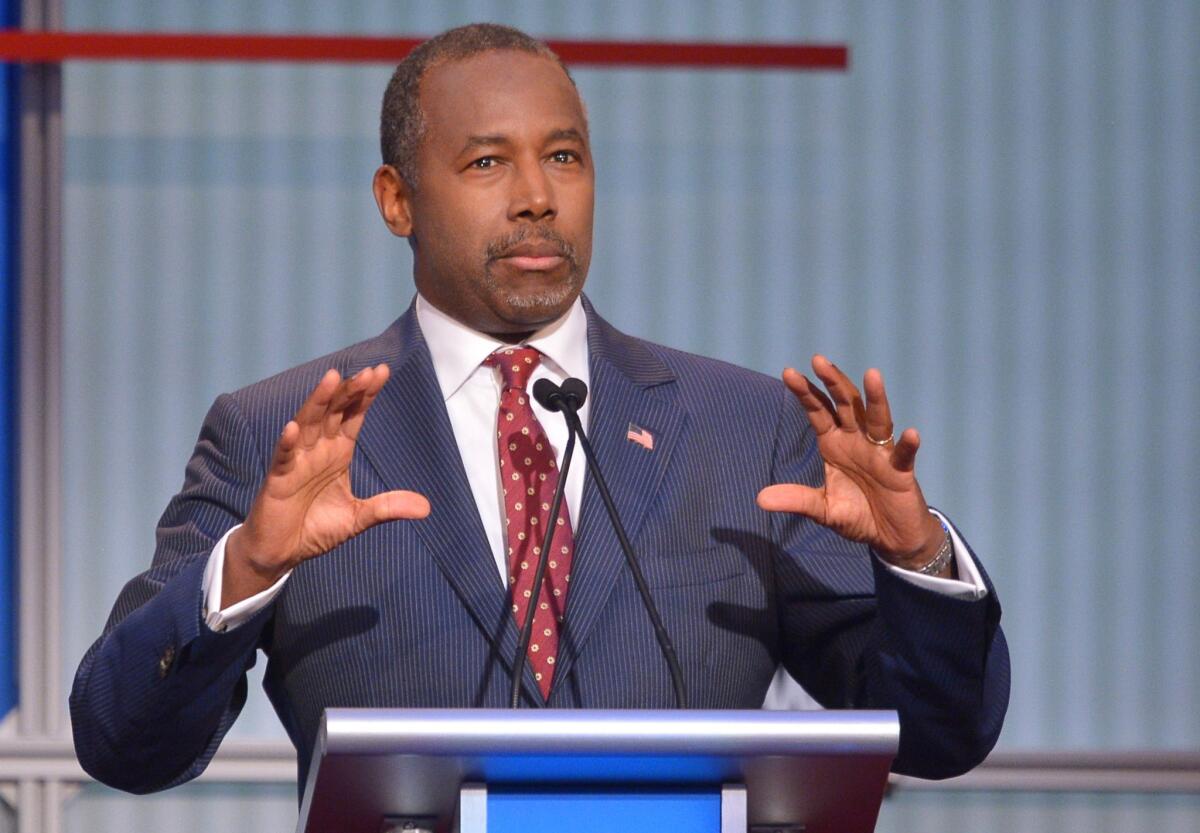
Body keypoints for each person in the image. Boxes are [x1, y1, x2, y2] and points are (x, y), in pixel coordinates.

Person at [70, 23, 1008, 796]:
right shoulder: (279, 434)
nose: (536, 198)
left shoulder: (743, 427)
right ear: (396, 200)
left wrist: (916, 558)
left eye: (564, 156)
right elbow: (123, 743)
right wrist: (248, 569)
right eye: (486, 162)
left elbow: (937, 734)